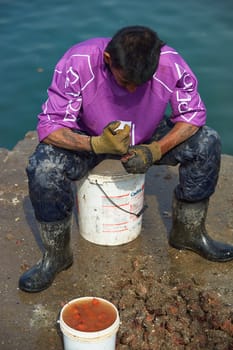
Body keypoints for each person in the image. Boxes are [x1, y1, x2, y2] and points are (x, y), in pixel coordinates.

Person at [19, 25, 233, 293]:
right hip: (90, 133)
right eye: (124, 82)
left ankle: (188, 233)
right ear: (108, 60)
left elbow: (192, 116)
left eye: (140, 84)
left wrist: (156, 149)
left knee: (207, 141)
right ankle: (57, 255)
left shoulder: (171, 62)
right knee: (44, 167)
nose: (131, 90)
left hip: (147, 134)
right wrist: (94, 144)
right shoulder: (78, 61)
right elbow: (51, 127)